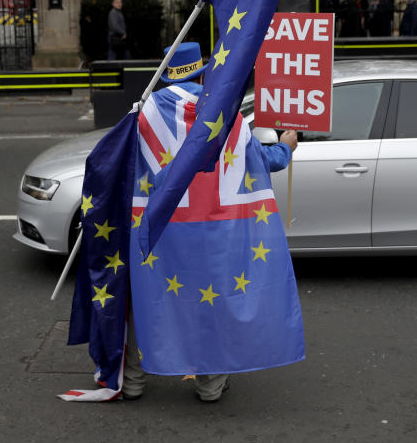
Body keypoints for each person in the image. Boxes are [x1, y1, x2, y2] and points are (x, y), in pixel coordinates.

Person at [124, 42, 300, 403]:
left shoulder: (144, 114)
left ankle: (131, 382)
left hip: (159, 232)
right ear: (201, 71)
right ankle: (210, 386)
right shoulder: (224, 115)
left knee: (147, 299)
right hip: (217, 232)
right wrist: (286, 146)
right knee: (212, 303)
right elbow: (264, 160)